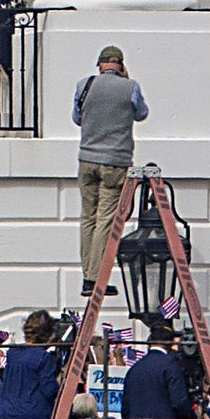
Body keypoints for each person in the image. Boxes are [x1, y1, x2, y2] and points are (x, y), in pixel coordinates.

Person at [72, 44, 148, 296]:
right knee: (106, 219)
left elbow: (77, 118)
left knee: (88, 218)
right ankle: (95, 279)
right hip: (115, 160)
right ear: (121, 65)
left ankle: (87, 274)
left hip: (86, 159)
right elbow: (142, 114)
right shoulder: (130, 87)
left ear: (99, 64)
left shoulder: (84, 85)